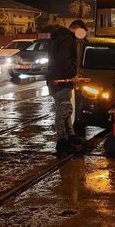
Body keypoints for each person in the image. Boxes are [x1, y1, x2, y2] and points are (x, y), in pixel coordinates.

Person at [47, 20, 88, 154]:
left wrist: (73, 73)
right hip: (61, 82)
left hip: (57, 80)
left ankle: (70, 136)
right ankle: (62, 142)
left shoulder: (60, 38)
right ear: (77, 29)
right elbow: (64, 60)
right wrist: (72, 75)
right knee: (63, 111)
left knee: (65, 111)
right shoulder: (67, 40)